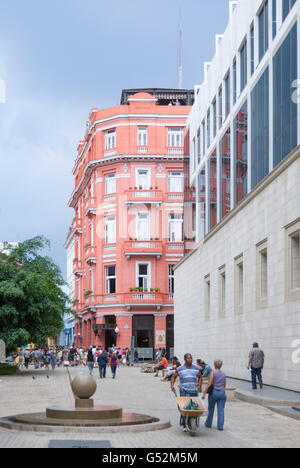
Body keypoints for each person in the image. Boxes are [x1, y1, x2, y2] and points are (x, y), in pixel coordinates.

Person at [171, 353, 201, 431]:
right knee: (184, 407)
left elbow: (200, 377)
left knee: (193, 408)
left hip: (193, 391)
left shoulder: (196, 368)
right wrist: (172, 386)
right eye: (188, 358)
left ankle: (192, 421)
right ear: (185, 359)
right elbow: (173, 377)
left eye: (191, 358)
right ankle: (184, 424)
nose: (190, 359)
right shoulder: (180, 368)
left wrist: (199, 386)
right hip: (183, 390)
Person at [202, 359, 227, 431]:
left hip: (214, 392)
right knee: (221, 410)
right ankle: (220, 426)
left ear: (214, 365)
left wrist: (204, 393)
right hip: (222, 393)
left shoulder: (213, 373)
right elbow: (224, 385)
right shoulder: (224, 374)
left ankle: (208, 424)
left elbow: (209, 384)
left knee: (211, 409)